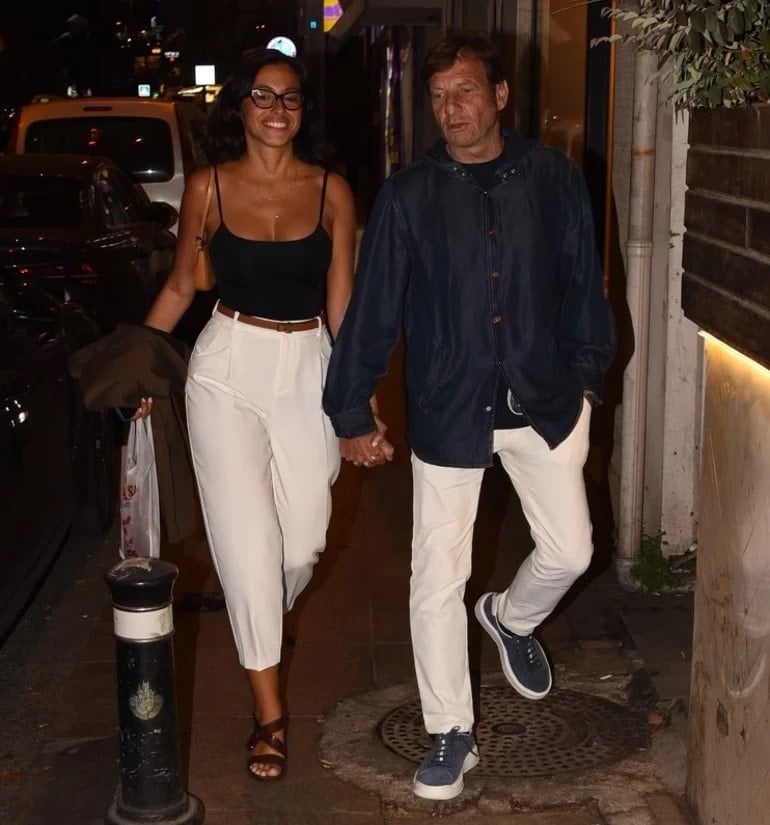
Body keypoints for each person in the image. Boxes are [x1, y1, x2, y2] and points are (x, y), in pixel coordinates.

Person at [323, 31, 616, 801]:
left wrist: (587, 381)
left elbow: (583, 285)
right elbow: (374, 309)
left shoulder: (553, 179)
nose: (451, 108)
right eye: (439, 96)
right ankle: (450, 730)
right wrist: (351, 408)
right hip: (451, 404)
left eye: (465, 91)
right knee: (435, 576)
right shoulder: (409, 196)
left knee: (572, 550)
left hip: (545, 399)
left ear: (500, 96)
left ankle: (511, 618)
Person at [134, 47, 390, 781]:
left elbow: (343, 305)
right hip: (227, 368)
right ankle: (270, 715)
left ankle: (260, 623)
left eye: (290, 97)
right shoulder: (209, 187)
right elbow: (182, 286)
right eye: (263, 96)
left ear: (303, 110)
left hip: (308, 365)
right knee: (248, 547)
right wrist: (144, 365)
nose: (278, 109)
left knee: (303, 543)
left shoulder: (331, 191)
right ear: (240, 108)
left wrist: (362, 399)